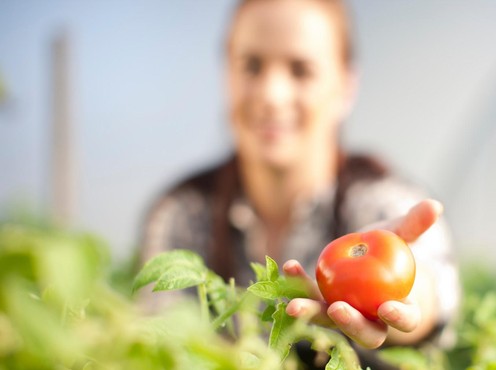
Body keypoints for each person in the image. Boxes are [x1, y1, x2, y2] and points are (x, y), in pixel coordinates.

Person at [140, 0, 460, 366]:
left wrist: (400, 289)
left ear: (345, 87)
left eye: (301, 70)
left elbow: (432, 293)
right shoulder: (182, 213)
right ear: (226, 75)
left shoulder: (384, 202)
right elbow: (160, 341)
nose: (272, 95)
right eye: (252, 66)